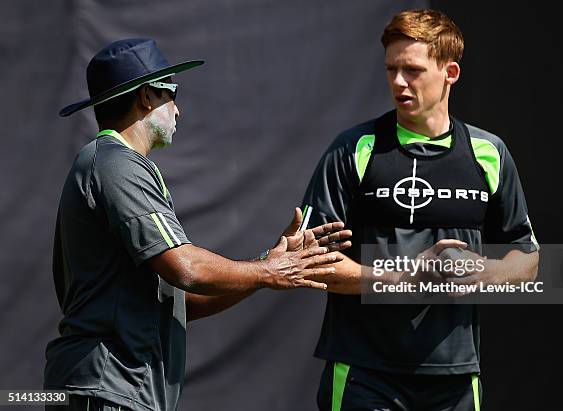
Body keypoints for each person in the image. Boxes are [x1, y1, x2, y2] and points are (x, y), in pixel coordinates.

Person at [44, 38, 351, 411]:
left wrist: (266, 264)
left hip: (115, 389)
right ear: (146, 97)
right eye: (171, 94)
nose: (178, 111)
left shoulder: (114, 165)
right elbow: (185, 268)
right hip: (106, 388)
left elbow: (181, 301)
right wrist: (269, 271)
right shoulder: (116, 164)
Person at [295, 9, 540, 411]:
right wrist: (406, 277)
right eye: (391, 69)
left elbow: (528, 259)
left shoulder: (488, 152)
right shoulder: (352, 149)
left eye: (412, 70)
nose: (398, 82)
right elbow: (311, 264)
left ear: (451, 73)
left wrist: (484, 273)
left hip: (457, 379)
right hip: (363, 375)